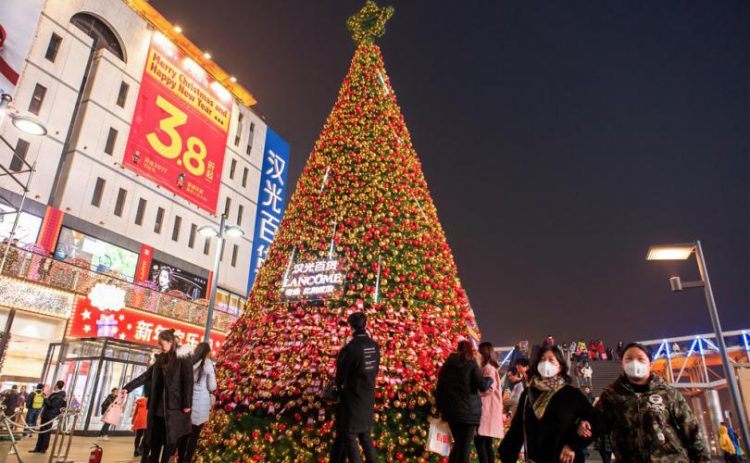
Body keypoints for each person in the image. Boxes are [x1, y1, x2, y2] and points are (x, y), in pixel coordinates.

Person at [579, 342, 710, 462]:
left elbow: (692, 430)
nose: (635, 363)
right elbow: (594, 424)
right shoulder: (611, 395)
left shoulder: (668, 393)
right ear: (622, 364)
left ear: (650, 364)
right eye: (629, 359)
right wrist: (579, 428)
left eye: (640, 359)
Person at [499, 345, 598, 463]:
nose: (546, 363)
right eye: (542, 359)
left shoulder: (571, 394)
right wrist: (507, 455)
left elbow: (596, 421)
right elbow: (517, 429)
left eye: (551, 360)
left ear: (560, 367)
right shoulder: (528, 394)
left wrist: (573, 444)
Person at [124, 329, 193, 463]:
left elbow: (188, 380)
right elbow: (147, 375)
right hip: (157, 408)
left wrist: (187, 404)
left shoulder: (183, 356)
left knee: (170, 440)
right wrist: (127, 388)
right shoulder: (161, 358)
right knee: (154, 439)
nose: (160, 347)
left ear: (170, 342)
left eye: (162, 343)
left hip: (174, 407)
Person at [329, 312, 380, 463]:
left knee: (349, 435)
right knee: (365, 436)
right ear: (365, 325)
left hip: (353, 397)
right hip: (368, 396)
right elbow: (375, 369)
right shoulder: (374, 345)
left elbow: (341, 374)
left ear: (351, 326)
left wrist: (337, 387)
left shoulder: (350, 348)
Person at [436, 340, 492, 463]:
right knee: (464, 446)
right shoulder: (471, 365)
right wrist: (489, 379)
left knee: (459, 444)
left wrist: (440, 409)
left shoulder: (447, 365)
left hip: (451, 413)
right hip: (469, 413)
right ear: (470, 350)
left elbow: (440, 388)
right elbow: (482, 386)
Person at [178, 342, 217, 463]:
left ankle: (179, 459)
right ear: (207, 352)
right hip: (201, 404)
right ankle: (187, 460)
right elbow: (212, 387)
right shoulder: (208, 364)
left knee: (184, 434)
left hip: (187, 402)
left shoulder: (190, 362)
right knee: (194, 436)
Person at [475, 342, 503, 463]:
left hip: (486, 411)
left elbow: (488, 388)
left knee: (481, 443)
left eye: (478, 352)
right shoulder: (489, 368)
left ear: (484, 354)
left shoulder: (488, 368)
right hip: (488, 411)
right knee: (486, 444)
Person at [30, 380, 66, 454]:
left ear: (57, 386)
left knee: (46, 432)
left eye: (55, 384)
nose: (54, 386)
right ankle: (38, 448)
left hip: (50, 416)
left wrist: (45, 398)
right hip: (46, 415)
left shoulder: (59, 396)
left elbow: (52, 405)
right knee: (41, 432)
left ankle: (43, 448)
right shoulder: (54, 394)